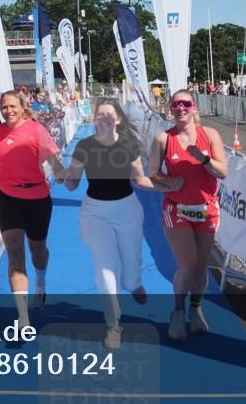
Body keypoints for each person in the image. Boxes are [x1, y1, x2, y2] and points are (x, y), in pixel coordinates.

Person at [63, 99, 160, 349]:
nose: (104, 117)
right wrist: (60, 172)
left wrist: (168, 186)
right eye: (100, 114)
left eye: (109, 114)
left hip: (127, 209)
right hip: (95, 212)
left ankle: (134, 283)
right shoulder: (84, 146)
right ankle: (113, 323)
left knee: (130, 267)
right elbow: (72, 183)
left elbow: (139, 180)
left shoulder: (129, 144)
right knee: (105, 266)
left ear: (117, 119)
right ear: (95, 119)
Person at [0, 90, 68, 328]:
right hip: (6, 197)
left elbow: (54, 162)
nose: (8, 111)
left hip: (37, 197)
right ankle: (23, 317)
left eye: (12, 106)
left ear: (22, 106)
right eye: (4, 107)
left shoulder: (36, 130)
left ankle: (40, 281)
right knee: (15, 252)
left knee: (38, 252)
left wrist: (63, 175)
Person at [148, 90, 228, 341]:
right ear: (170, 109)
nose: (180, 108)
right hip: (177, 210)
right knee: (188, 264)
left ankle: (195, 309)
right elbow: (153, 174)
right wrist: (169, 181)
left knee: (202, 266)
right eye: (176, 104)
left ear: (194, 107)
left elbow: (222, 171)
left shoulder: (210, 135)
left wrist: (203, 159)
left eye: (186, 104)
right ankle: (177, 311)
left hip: (207, 210)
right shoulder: (163, 138)